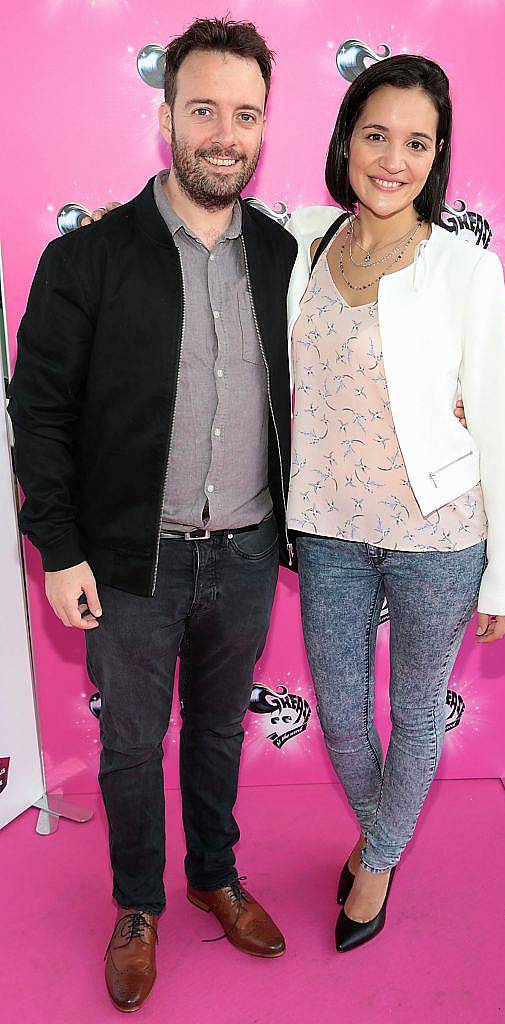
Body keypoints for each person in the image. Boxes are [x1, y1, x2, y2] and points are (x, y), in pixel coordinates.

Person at [8, 17, 298, 1013]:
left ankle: (213, 873)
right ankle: (138, 905)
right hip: (133, 561)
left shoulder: (282, 256)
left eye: (246, 115)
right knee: (133, 744)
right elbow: (37, 410)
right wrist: (61, 547)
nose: (226, 133)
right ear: (166, 116)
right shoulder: (86, 260)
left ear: (265, 128)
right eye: (206, 110)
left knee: (218, 730)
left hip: (252, 549)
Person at [284, 53, 505, 952]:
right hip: (328, 526)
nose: (392, 159)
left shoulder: (466, 270)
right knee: (342, 713)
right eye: (375, 135)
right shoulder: (302, 241)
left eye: (415, 142)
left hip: (439, 533)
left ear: (436, 155)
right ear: (346, 139)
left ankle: (374, 861)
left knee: (415, 712)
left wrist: (504, 578)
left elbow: (493, 421)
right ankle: (380, 841)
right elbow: (209, 235)